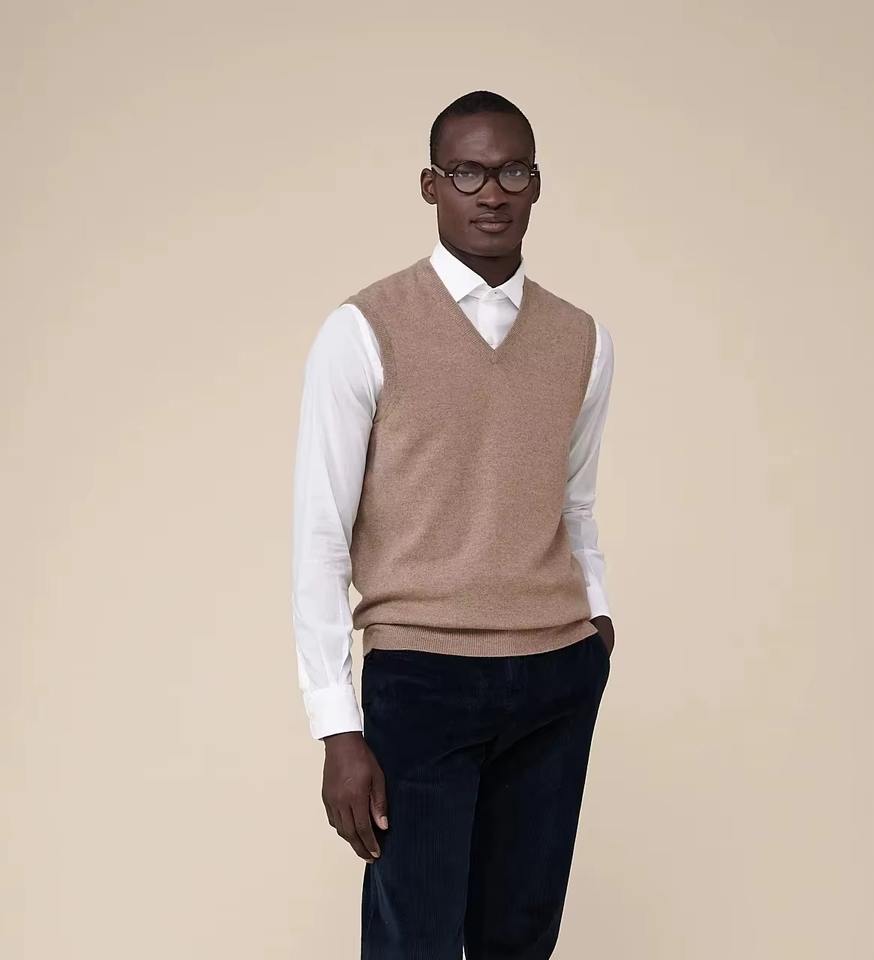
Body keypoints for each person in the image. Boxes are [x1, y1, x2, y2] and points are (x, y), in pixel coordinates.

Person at [291, 89, 616, 959]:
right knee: (415, 941)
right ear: (431, 185)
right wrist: (337, 726)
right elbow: (321, 536)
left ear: (537, 184)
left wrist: (597, 617)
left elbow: (575, 501)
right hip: (423, 679)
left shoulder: (582, 339)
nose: (491, 192)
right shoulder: (363, 330)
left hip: (556, 674)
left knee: (520, 940)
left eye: (513, 172)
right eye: (467, 172)